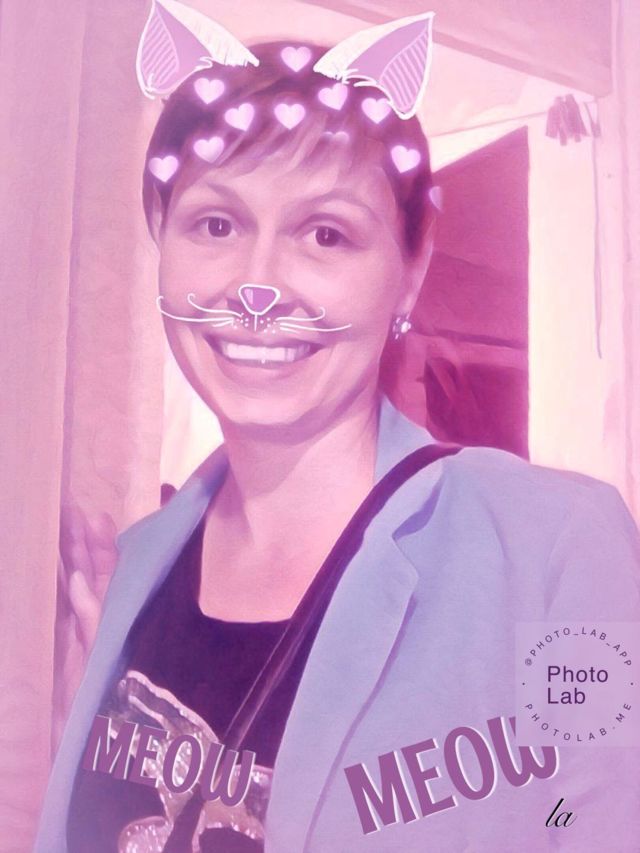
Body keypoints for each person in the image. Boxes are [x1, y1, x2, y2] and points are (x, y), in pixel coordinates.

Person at [36, 6, 640, 853]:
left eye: (325, 233)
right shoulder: (129, 576)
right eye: (216, 224)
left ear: (409, 271)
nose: (258, 285)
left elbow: (603, 825)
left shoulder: (557, 553)